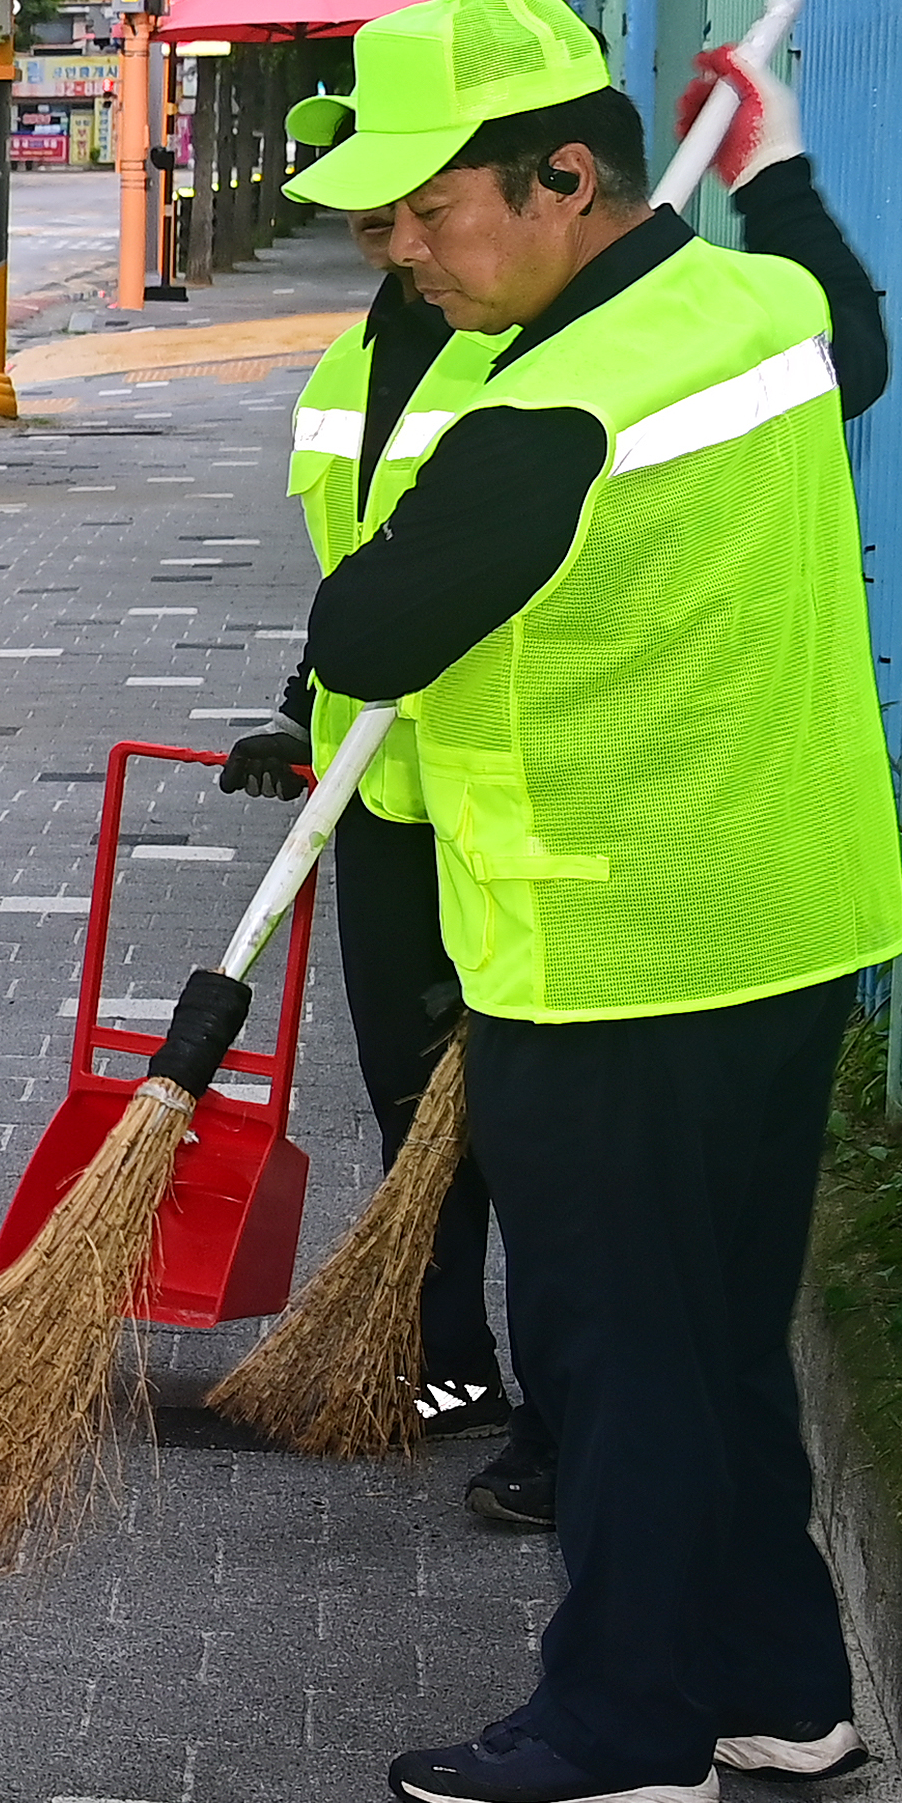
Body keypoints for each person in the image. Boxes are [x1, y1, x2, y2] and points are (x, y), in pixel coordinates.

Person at [283, 0, 902, 1803]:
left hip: (610, 938)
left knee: (613, 1351)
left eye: (429, 212)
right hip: (782, 920)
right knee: (719, 1333)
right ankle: (785, 1694)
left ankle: (625, 1724)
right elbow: (849, 324)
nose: (403, 255)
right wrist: (778, 163)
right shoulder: (752, 309)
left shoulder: (552, 401)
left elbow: (364, 632)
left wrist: (439, 461)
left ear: (569, 178)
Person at [224, 197, 536, 1494]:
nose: (385, 238)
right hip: (376, 793)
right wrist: (301, 708)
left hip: (506, 793)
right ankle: (451, 1357)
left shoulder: (524, 357)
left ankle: (568, 1420)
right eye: (363, 218)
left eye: (407, 210)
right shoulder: (352, 359)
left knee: (533, 1107)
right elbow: (357, 563)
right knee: (410, 1093)